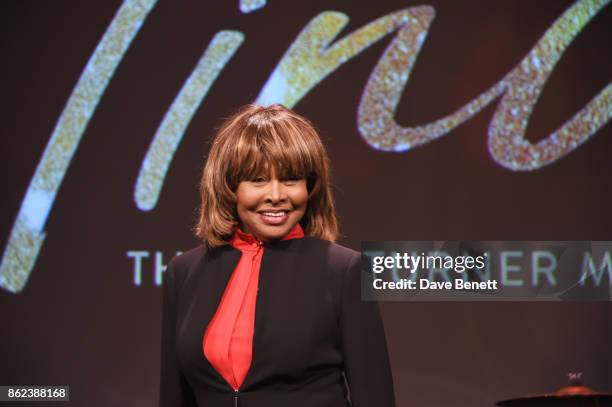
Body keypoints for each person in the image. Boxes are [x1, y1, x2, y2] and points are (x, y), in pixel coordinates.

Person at [159, 104, 395, 407]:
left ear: (310, 187)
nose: (276, 195)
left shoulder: (344, 270)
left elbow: (375, 396)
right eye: (258, 180)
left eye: (290, 179)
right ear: (229, 187)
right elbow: (174, 396)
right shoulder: (183, 272)